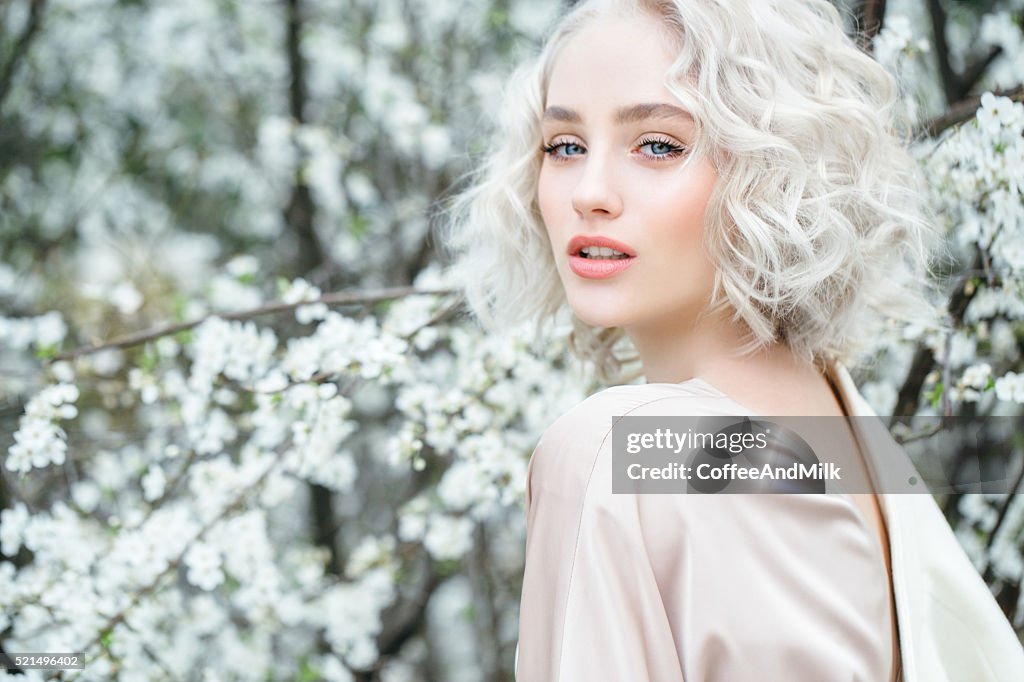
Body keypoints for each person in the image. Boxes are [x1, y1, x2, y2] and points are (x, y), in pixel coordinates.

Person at [439, 0, 1024, 679]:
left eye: (659, 145)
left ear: (774, 169)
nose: (589, 192)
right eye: (564, 146)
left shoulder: (623, 451)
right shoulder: (847, 439)